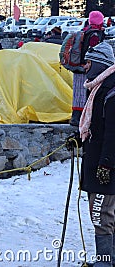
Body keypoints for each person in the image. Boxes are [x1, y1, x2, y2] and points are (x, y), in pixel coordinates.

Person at [69, 42, 115, 267]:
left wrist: (106, 163)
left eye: (88, 62)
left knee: (100, 214)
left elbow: (113, 132)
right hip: (99, 160)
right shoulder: (100, 87)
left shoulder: (111, 91)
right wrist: (80, 138)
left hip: (105, 166)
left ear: (99, 63)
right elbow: (98, 126)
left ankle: (105, 262)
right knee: (106, 213)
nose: (85, 67)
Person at [70, 11, 105, 126]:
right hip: (86, 67)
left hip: (78, 67)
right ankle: (79, 119)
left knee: (78, 93)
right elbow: (93, 51)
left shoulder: (85, 31)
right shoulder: (94, 34)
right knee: (84, 93)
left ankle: (76, 118)